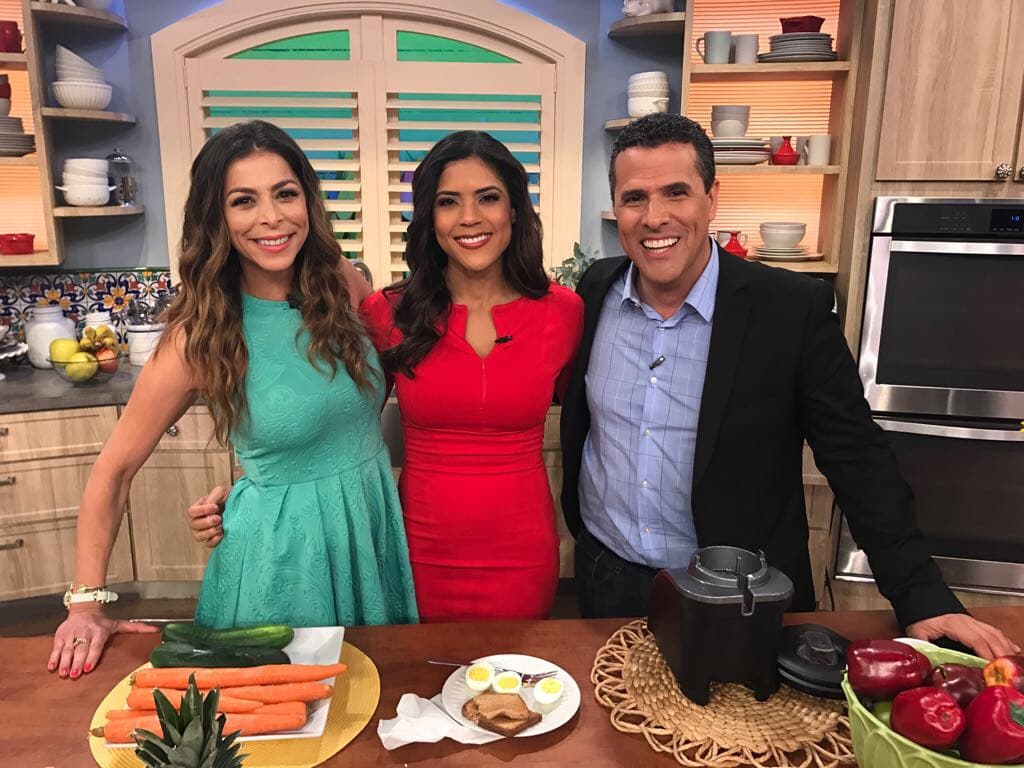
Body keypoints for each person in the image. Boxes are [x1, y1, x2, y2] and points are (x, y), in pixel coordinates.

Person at [559, 112, 1018, 659]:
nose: (654, 217)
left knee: (746, 740)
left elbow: (856, 456)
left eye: (676, 192)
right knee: (612, 734)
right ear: (617, 207)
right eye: (635, 198)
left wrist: (920, 593)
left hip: (740, 594)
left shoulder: (789, 311)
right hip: (607, 576)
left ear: (712, 198)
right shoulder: (595, 289)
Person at [48, 120, 418, 680]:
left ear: (308, 202)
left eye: (285, 193)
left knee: (371, 711)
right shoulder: (199, 334)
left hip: (367, 531)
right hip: (281, 561)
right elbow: (114, 470)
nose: (271, 217)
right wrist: (86, 603)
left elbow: (347, 405)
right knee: (286, 731)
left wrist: (256, 475)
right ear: (216, 218)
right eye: (244, 201)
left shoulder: (341, 283)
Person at [191, 131, 583, 623]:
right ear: (428, 219)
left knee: (512, 689)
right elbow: (338, 424)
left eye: (489, 198)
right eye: (448, 202)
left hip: (524, 553)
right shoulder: (389, 312)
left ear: (516, 211)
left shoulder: (564, 313)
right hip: (415, 549)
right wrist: (255, 490)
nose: (469, 217)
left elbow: (601, 430)